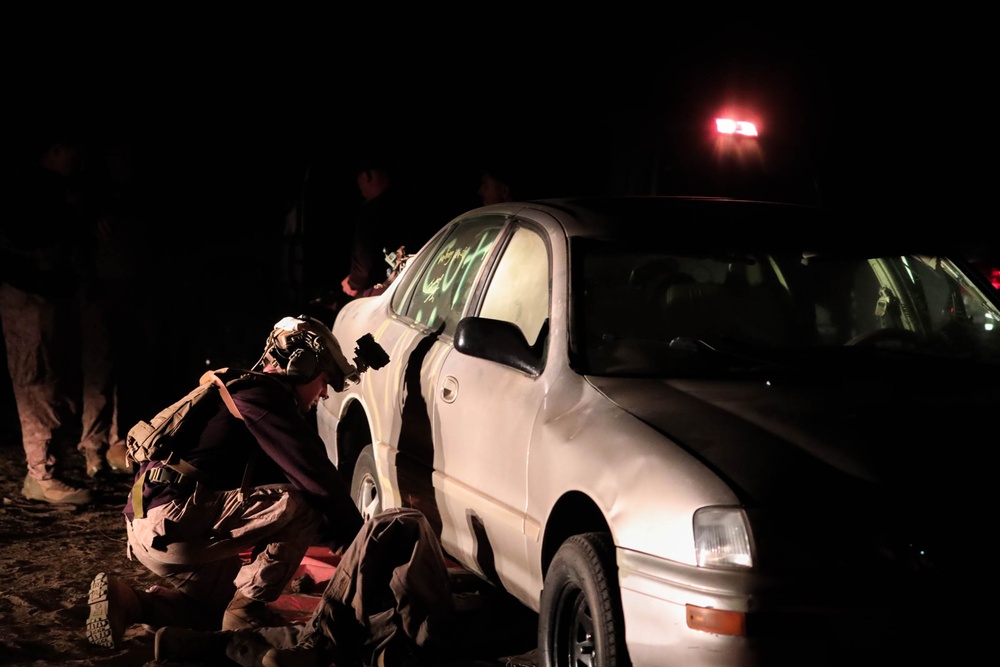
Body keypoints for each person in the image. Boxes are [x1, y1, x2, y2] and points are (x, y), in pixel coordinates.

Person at [85, 315, 375, 650]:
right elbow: (318, 480)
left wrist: (339, 537)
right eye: (324, 380)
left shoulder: (239, 392)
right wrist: (364, 545)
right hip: (177, 523)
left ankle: (130, 603)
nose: (324, 393)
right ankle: (249, 610)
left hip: (147, 529)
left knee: (214, 611)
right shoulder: (264, 397)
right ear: (302, 365)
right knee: (307, 501)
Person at [0, 131, 127, 506]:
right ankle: (42, 475)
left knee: (54, 385)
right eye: (74, 149)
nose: (80, 159)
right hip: (29, 297)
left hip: (48, 296)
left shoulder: (58, 189)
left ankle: (42, 472)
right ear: (56, 148)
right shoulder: (28, 190)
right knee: (37, 384)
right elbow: (28, 240)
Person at [340, 158, 417, 300]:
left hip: (388, 295)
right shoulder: (414, 202)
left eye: (359, 182)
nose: (361, 190)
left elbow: (364, 268)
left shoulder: (371, 212)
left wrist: (353, 283)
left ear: (368, 176)